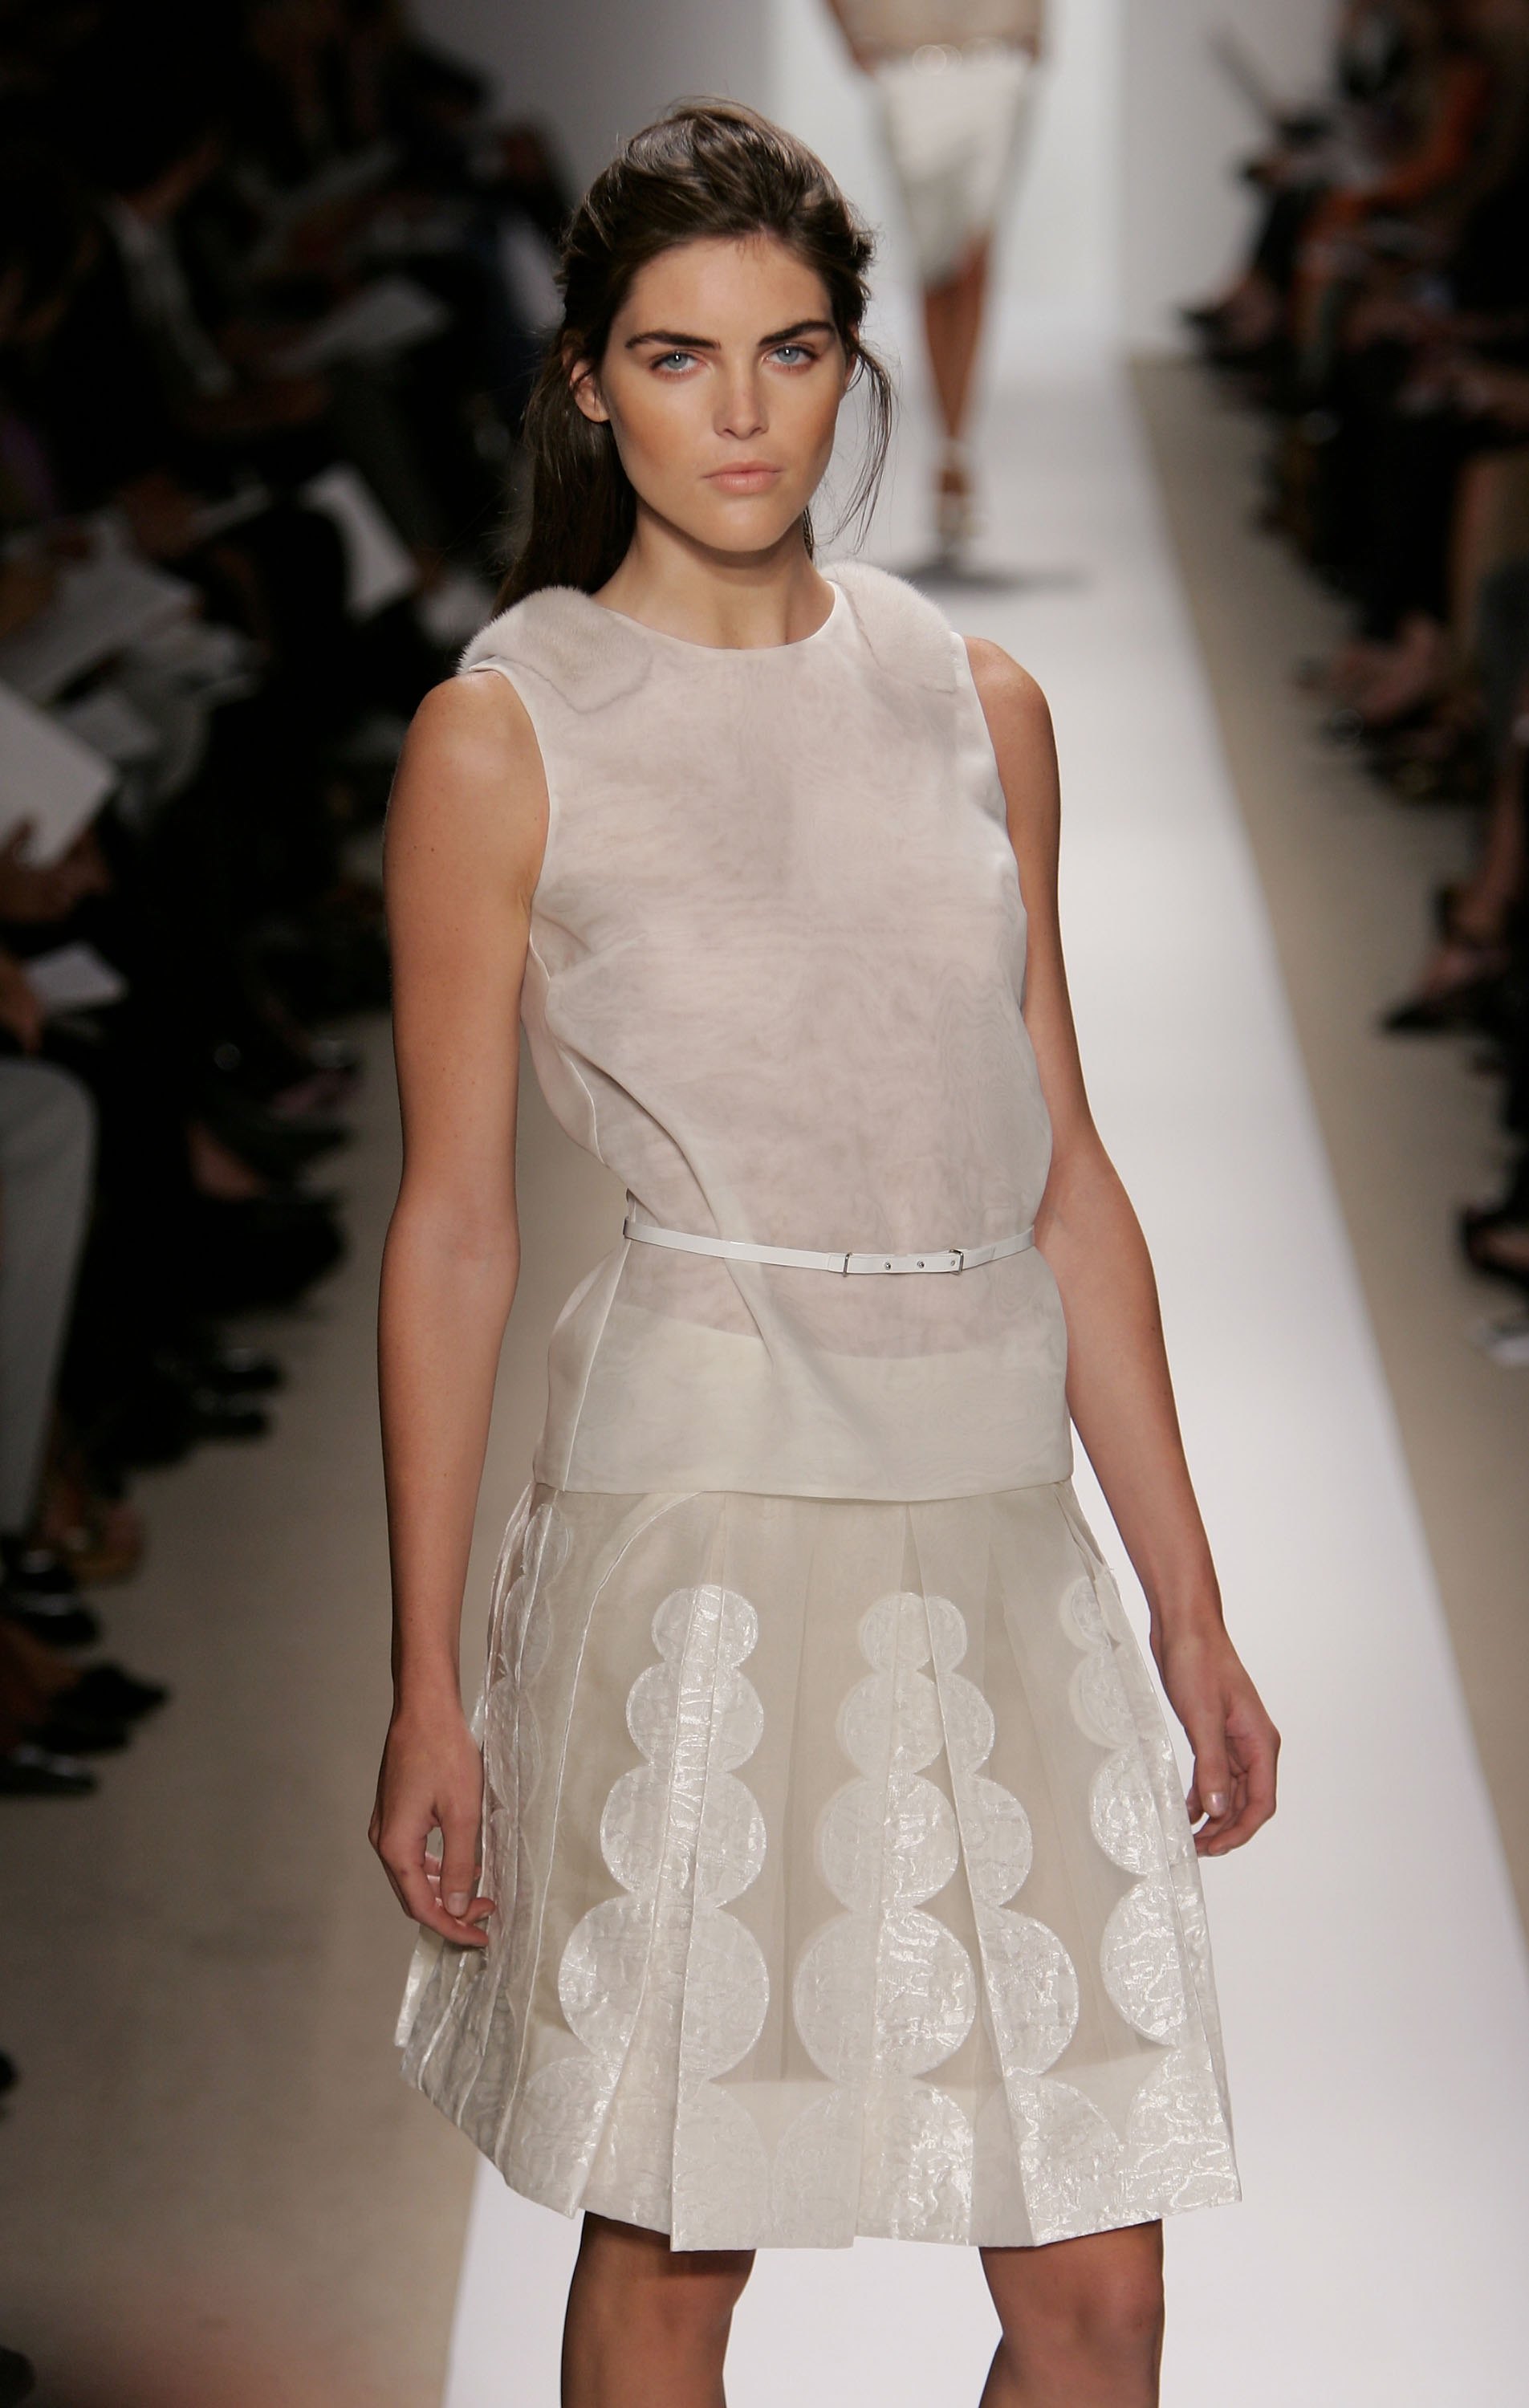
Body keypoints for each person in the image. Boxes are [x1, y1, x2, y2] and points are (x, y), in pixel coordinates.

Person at [372, 100, 1278, 2408]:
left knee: (1100, 2295)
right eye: (677, 357)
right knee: (682, 2252)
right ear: (588, 382)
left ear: (852, 361)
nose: (742, 413)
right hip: (698, 1528)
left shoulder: (978, 705)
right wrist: (426, 1679)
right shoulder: (503, 734)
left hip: (994, 1516)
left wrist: (1185, 1602)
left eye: (789, 350)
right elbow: (455, 1228)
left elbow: (1063, 1170)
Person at [826, 1, 1046, 556]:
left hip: (996, 54)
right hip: (910, 60)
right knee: (933, 264)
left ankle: (957, 447)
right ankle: (948, 447)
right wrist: (848, 31)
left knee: (973, 258)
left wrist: (1038, 22)